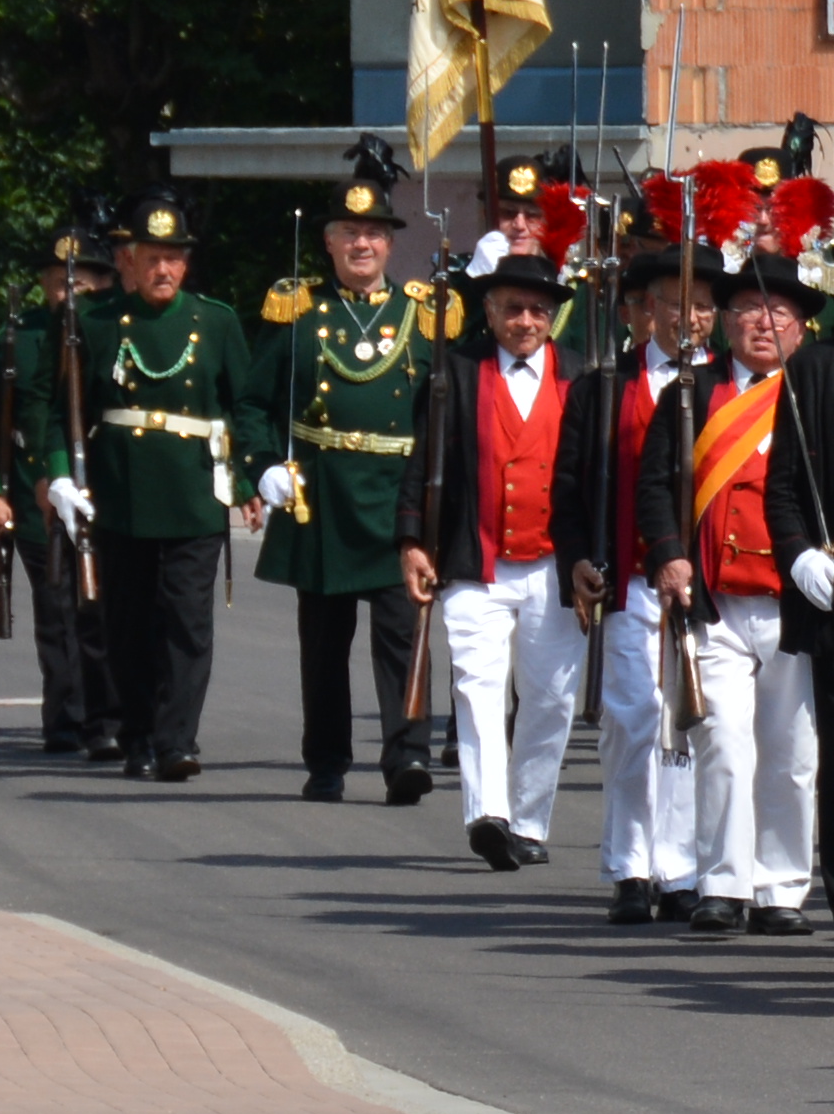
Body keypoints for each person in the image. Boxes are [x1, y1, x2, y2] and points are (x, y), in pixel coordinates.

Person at [635, 206, 834, 937]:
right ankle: (722, 884)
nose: (764, 324)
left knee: (792, 756)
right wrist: (669, 552)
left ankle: (781, 890)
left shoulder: (815, 397)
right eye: (750, 311)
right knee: (723, 744)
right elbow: (655, 486)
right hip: (717, 603)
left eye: (779, 313)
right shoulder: (690, 393)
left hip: (793, 603)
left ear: (802, 327)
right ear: (726, 322)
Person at [30, 189, 265, 780]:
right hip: (123, 493)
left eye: (174, 258)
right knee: (128, 623)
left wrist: (247, 479)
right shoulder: (95, 322)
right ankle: (137, 735)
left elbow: (244, 406)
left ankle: (177, 740)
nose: (164, 269)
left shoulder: (215, 321)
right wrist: (59, 475)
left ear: (186, 263)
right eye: (152, 257)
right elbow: (61, 410)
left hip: (193, 492)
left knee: (187, 622)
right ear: (129, 260)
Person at [411, 184, 599, 871]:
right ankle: (487, 813)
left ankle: (528, 819)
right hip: (477, 561)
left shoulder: (582, 377)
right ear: (488, 311)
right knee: (477, 686)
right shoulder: (454, 373)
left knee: (549, 697)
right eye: (512, 308)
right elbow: (423, 465)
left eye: (537, 310)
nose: (524, 320)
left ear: (553, 316)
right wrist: (413, 541)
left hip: (554, 568)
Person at [256, 139, 442, 807]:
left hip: (396, 499)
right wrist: (263, 467)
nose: (362, 244)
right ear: (329, 242)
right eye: (349, 232)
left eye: (373, 233)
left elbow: (442, 411)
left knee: (403, 634)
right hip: (325, 497)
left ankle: (407, 756)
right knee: (324, 644)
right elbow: (254, 401)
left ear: (390, 244)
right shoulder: (300, 311)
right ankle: (328, 760)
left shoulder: (423, 314)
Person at [0, 207, 121, 760]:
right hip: (37, 499)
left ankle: (109, 719)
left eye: (79, 284)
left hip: (104, 493)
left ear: (103, 284)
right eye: (57, 283)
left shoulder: (112, 330)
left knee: (102, 611)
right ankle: (66, 719)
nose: (66, 293)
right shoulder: (21, 336)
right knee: (57, 613)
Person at [595, 196, 715, 924]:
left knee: (690, 728)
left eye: (701, 305)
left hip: (707, 584)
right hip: (633, 577)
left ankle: (681, 867)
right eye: (675, 303)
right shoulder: (611, 380)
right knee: (633, 721)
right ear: (648, 310)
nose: (689, 318)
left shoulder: (731, 385)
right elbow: (580, 482)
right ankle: (629, 864)